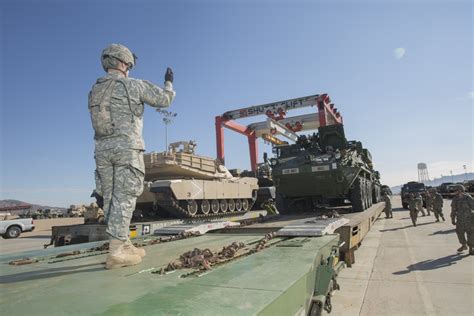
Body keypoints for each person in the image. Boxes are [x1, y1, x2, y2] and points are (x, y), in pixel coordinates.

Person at [89, 44, 176, 269]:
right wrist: (169, 83)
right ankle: (116, 251)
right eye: (128, 65)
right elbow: (164, 100)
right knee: (125, 197)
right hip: (126, 148)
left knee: (110, 198)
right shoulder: (133, 85)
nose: (129, 69)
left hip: (102, 150)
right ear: (122, 63)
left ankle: (124, 243)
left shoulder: (95, 89)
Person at [450, 185, 474, 254]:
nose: (454, 191)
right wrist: (452, 219)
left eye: (456, 190)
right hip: (460, 220)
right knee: (459, 232)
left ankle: (471, 248)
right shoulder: (455, 199)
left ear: (460, 190)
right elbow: (453, 210)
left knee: (471, 234)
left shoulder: (468, 198)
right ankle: (464, 245)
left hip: (469, 219)